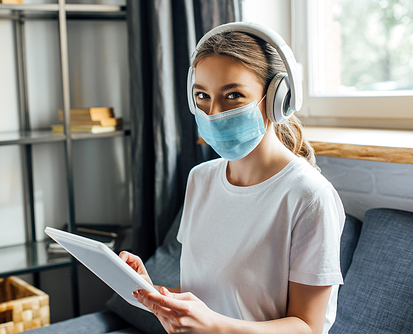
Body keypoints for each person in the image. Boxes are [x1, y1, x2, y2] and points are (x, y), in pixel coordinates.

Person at [120, 22, 345, 334]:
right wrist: (151, 290)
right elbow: (209, 297)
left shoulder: (308, 196)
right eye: (202, 95)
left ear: (279, 99)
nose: (213, 113)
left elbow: (307, 326)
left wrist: (214, 326)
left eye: (234, 95)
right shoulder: (200, 179)